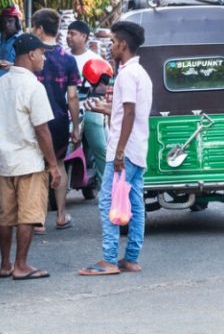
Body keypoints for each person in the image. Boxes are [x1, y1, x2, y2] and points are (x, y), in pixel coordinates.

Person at [80, 21, 152, 276]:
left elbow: (129, 112)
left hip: (125, 151)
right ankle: (130, 257)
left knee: (108, 202)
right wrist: (102, 108)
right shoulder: (140, 73)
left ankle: (109, 259)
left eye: (112, 42)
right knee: (134, 203)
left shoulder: (127, 75)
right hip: (137, 149)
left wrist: (119, 151)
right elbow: (127, 111)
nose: (110, 46)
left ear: (123, 44)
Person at [0, 33, 63, 280]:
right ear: (31, 54)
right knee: (29, 214)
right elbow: (42, 129)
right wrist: (53, 165)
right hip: (29, 160)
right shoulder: (33, 86)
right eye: (42, 53)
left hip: (6, 160)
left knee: (6, 215)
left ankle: (5, 264)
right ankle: (21, 265)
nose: (43, 58)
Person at [31, 8, 80, 231]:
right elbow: (72, 96)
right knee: (58, 164)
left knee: (39, 167)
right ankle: (61, 215)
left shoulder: (31, 56)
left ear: (40, 29)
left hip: (34, 120)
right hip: (59, 119)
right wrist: (76, 126)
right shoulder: (68, 59)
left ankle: (38, 220)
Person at [66, 20, 109, 197]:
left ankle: (106, 185)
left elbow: (103, 88)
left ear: (84, 36)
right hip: (66, 107)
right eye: (68, 33)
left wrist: (93, 92)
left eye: (73, 33)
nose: (69, 37)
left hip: (89, 107)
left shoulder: (95, 59)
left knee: (99, 145)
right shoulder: (63, 57)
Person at [0, 5, 24, 91]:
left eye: (10, 21)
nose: (7, 25)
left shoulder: (21, 41)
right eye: (4, 22)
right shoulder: (2, 40)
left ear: (17, 22)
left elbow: (24, 68)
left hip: (9, 90)